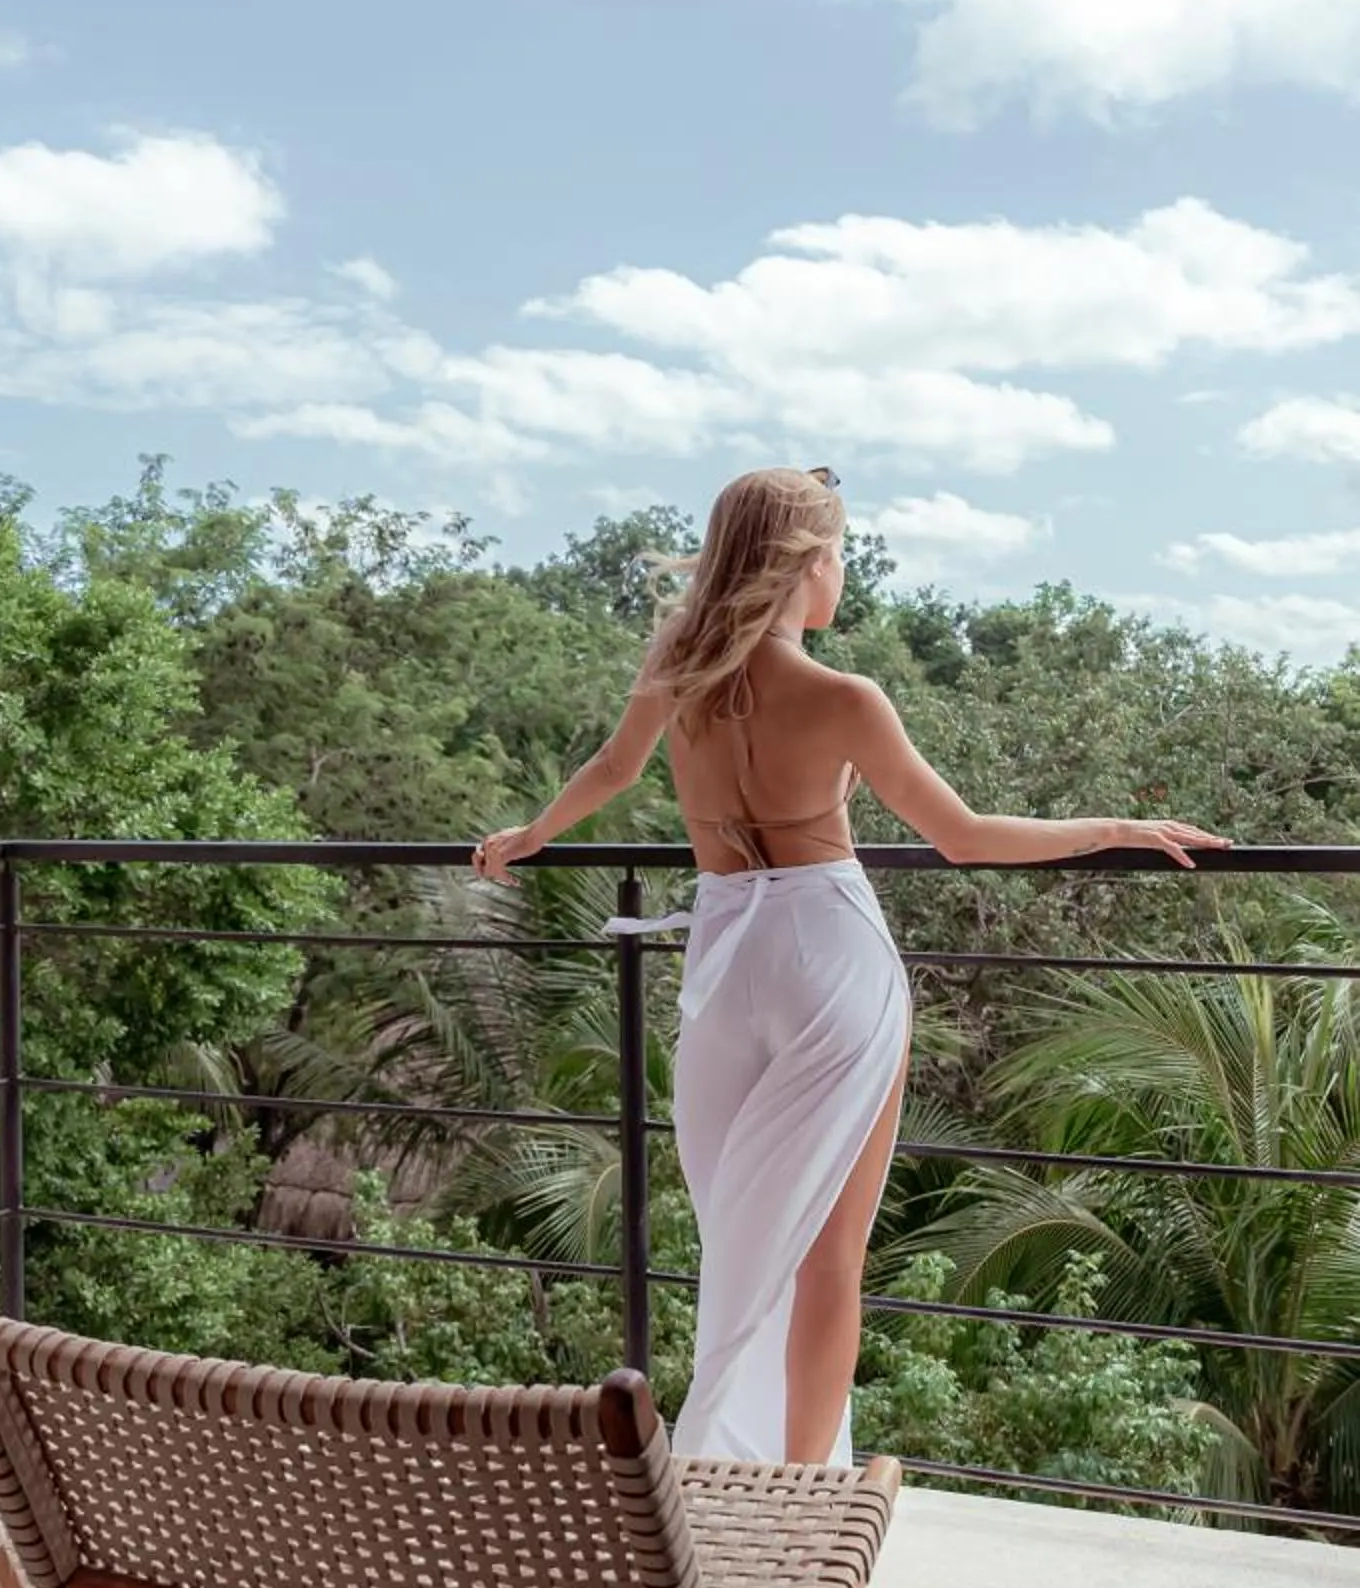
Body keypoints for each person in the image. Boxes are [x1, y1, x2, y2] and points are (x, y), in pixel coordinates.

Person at [472, 466, 1225, 1468]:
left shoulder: (677, 668)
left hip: (726, 962)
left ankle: (720, 1468)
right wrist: (1115, 827)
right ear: (808, 564)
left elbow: (613, 772)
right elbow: (962, 835)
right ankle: (803, 1490)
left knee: (741, 1238)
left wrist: (529, 835)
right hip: (829, 954)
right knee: (830, 1255)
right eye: (839, 557)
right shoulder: (843, 697)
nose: (842, 580)